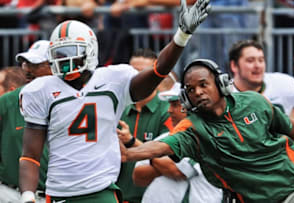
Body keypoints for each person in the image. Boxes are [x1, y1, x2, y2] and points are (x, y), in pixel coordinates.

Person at [18, 0, 211, 202]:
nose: (64, 61)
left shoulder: (113, 80)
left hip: (101, 190)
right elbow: (30, 154)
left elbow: (158, 71)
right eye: (59, 54)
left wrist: (181, 37)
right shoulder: (40, 90)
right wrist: (28, 195)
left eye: (71, 53)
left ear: (89, 51)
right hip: (59, 194)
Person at [121, 58, 294, 203]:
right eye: (191, 90)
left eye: (203, 84)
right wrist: (130, 153)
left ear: (221, 84)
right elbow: (163, 146)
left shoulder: (254, 102)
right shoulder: (193, 127)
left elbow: (290, 127)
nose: (198, 92)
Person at [130, 82, 222, 203]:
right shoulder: (164, 137)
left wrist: (149, 155)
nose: (169, 110)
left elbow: (177, 171)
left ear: (192, 106)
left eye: (175, 105)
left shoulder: (207, 137)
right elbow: (138, 177)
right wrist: (162, 165)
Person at [228, 39, 294, 165]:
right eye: (250, 60)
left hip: (282, 162)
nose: (257, 65)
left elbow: (293, 125)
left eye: (261, 60)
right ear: (234, 66)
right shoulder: (223, 97)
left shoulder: (284, 84)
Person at [116, 48, 174, 203]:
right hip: (118, 196)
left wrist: (131, 141)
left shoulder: (169, 110)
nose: (138, 78)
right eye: (133, 72)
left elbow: (168, 158)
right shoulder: (118, 108)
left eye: (143, 72)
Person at [0, 40, 52, 203]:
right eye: (25, 64)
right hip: (10, 194)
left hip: (55, 196)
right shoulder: (8, 102)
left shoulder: (72, 101)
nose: (28, 70)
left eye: (35, 65)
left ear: (53, 66)